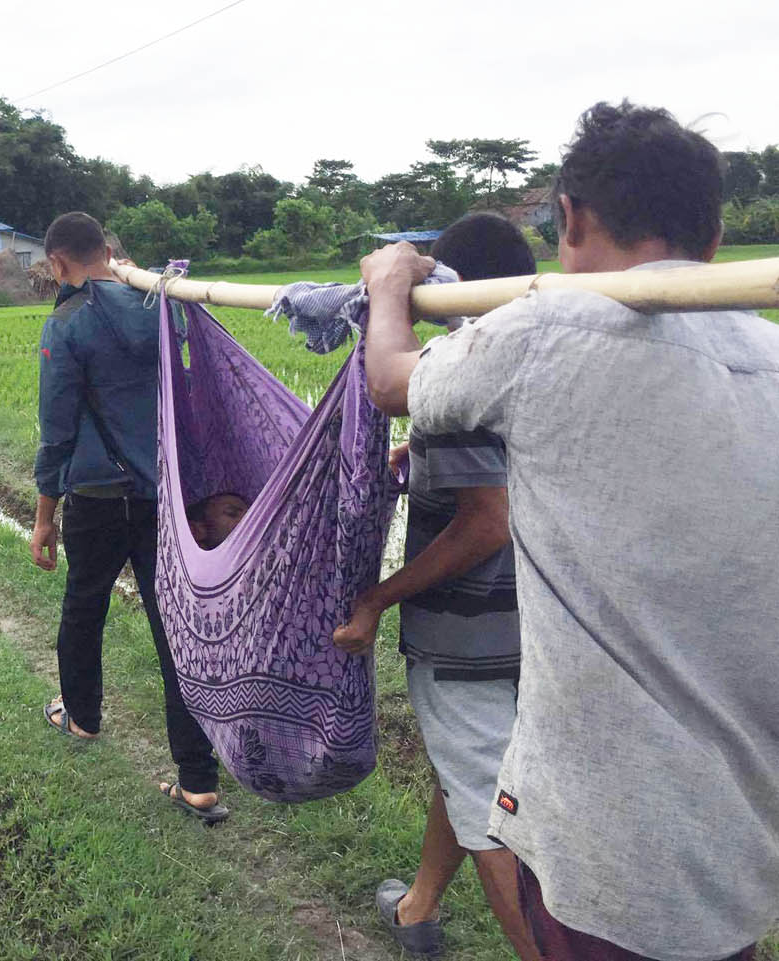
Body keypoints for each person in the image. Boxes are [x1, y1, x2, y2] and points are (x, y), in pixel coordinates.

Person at [359, 101, 779, 961]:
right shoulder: (768, 360)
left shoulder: (547, 329)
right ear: (714, 230)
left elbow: (392, 378)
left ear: (571, 217)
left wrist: (387, 287)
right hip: (742, 853)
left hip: (609, 859)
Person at [332, 212, 539, 960]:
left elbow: (486, 521)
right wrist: (419, 453)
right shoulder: (536, 356)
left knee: (489, 811)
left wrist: (379, 596)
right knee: (469, 768)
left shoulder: (456, 368)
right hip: (537, 625)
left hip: (466, 639)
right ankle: (418, 906)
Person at [31, 212, 227, 823]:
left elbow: (56, 430)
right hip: (159, 493)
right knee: (172, 629)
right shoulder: (159, 307)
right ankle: (198, 778)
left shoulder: (65, 325)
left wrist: (44, 517)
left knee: (83, 607)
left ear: (58, 263)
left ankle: (82, 716)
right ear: (109, 251)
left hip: (94, 493)